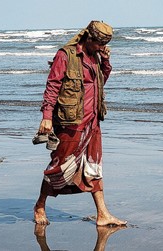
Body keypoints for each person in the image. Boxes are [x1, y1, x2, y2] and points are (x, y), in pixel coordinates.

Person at [33, 20, 126, 226]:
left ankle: (102, 213)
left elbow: (99, 82)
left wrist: (106, 62)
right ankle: (40, 204)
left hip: (92, 122)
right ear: (89, 38)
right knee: (60, 166)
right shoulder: (65, 55)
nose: (103, 48)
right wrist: (47, 116)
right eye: (100, 44)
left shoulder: (96, 57)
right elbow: (52, 86)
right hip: (70, 122)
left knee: (93, 167)